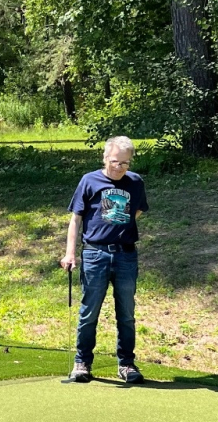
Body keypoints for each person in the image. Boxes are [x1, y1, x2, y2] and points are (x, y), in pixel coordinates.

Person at [59, 136, 149, 384]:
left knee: (126, 314)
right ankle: (82, 363)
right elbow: (75, 219)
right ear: (105, 158)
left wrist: (120, 226)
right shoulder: (89, 180)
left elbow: (137, 210)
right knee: (89, 312)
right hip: (94, 254)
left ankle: (127, 364)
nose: (119, 167)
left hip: (125, 255)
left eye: (125, 163)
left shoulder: (135, 182)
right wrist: (70, 253)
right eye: (115, 162)